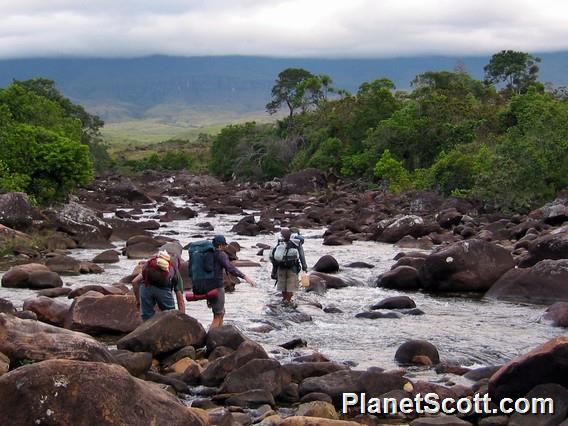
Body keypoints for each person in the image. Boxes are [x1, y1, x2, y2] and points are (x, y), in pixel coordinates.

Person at [189, 235, 256, 329]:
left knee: (220, 311)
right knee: (218, 315)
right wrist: (245, 277)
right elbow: (230, 267)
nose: (225, 247)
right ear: (220, 245)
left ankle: (218, 333)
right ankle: (211, 338)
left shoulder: (206, 253)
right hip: (216, 287)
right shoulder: (220, 254)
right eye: (224, 245)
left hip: (205, 285)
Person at [132, 250, 185, 321]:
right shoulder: (174, 272)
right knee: (171, 317)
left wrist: (139, 302)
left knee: (146, 319)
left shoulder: (151, 267)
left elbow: (135, 282)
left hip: (145, 287)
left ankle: (148, 331)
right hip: (163, 291)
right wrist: (182, 320)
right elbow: (180, 301)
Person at [270, 228, 308, 306]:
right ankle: (288, 301)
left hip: (281, 267)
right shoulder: (296, 242)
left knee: (282, 286)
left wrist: (274, 271)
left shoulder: (280, 242)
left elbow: (275, 256)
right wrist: (304, 267)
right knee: (291, 287)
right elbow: (301, 255)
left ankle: (284, 300)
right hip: (292, 269)